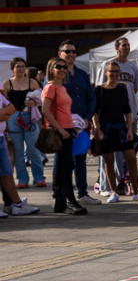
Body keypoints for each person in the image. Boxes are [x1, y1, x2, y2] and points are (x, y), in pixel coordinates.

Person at [56, 41, 99, 206]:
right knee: (62, 160)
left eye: (74, 51)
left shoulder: (82, 74)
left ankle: (82, 193)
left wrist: (88, 118)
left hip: (82, 124)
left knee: (81, 157)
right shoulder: (55, 76)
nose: (71, 54)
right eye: (67, 51)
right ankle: (58, 196)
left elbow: (92, 97)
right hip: (65, 125)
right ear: (60, 53)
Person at [41, 58, 85, 215]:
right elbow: (45, 110)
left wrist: (71, 126)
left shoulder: (62, 87)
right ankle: (69, 200)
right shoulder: (50, 87)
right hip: (59, 130)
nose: (62, 69)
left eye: (64, 67)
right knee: (66, 165)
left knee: (63, 165)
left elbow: (63, 110)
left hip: (67, 129)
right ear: (51, 69)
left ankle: (60, 200)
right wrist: (60, 129)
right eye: (57, 67)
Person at [93, 62, 138, 201]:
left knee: (131, 158)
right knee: (109, 161)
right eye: (111, 71)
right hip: (106, 128)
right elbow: (95, 112)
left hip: (121, 128)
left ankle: (136, 192)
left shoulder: (122, 88)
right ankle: (114, 192)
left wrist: (130, 130)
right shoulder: (99, 90)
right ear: (106, 72)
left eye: (116, 71)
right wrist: (97, 129)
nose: (114, 74)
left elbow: (127, 110)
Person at [3, 57, 46, 188]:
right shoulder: (7, 84)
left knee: (34, 150)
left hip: (30, 116)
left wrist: (33, 102)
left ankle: (39, 178)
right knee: (18, 151)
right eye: (18, 66)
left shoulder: (32, 82)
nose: (21, 68)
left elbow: (41, 99)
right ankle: (22, 179)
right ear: (12, 69)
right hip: (13, 118)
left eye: (23, 66)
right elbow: (3, 103)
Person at [0, 90, 40, 216]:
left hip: (1, 137)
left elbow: (11, 108)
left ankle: (17, 204)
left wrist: (3, 114)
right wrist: (4, 113)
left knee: (7, 172)